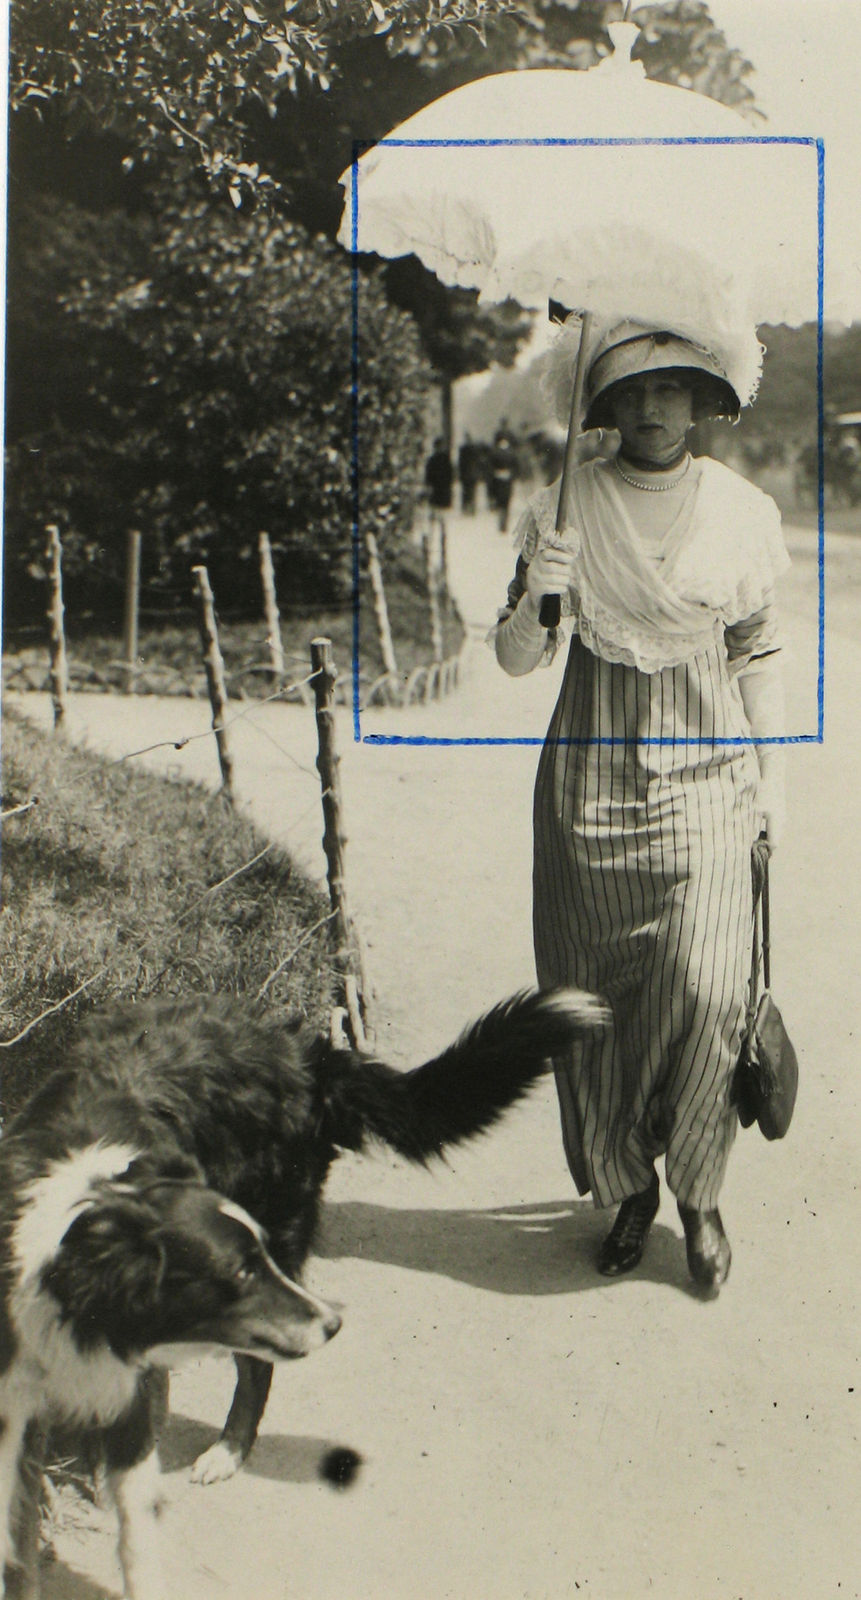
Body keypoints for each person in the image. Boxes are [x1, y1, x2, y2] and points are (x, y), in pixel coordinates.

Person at [492, 318, 789, 1294]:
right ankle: (626, 1191)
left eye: (677, 387)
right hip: (588, 785)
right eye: (636, 387)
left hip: (708, 773)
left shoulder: (740, 513)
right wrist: (542, 592)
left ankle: (700, 1193)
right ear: (608, 401)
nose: (656, 406)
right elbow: (515, 658)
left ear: (709, 401)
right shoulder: (565, 505)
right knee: (593, 1000)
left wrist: (771, 784)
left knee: (707, 991)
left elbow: (758, 653)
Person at [489, 422, 518, 533]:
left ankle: (501, 522)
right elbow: (516, 466)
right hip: (507, 478)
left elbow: (490, 466)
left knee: (500, 501)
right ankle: (504, 522)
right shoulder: (511, 452)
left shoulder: (494, 452)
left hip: (498, 478)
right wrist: (512, 475)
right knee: (506, 501)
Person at [424, 436, 453, 513]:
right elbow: (428, 472)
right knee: (436, 505)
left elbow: (450, 471)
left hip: (443, 485)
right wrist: (428, 483)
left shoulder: (445, 458)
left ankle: (440, 520)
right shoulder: (432, 459)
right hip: (435, 485)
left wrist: (449, 482)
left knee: (441, 506)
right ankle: (436, 518)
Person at [458, 432, 480, 513]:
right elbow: (478, 461)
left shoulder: (462, 449)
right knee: (472, 491)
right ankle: (472, 508)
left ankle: (465, 508)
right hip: (473, 473)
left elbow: (460, 463)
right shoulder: (475, 449)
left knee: (465, 492)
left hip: (465, 474)